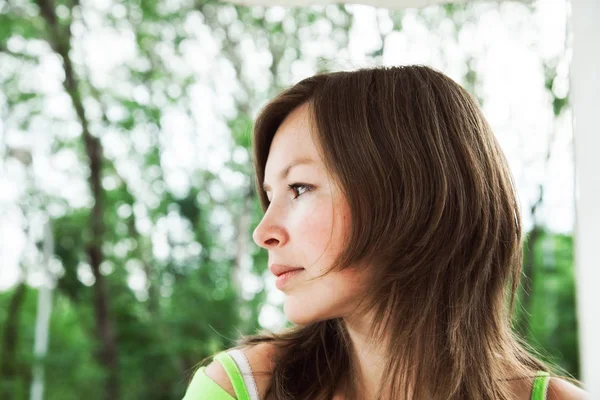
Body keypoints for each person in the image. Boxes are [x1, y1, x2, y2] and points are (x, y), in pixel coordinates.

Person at [182, 65, 587, 399]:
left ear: (410, 196)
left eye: (299, 188)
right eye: (270, 197)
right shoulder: (238, 390)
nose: (264, 231)